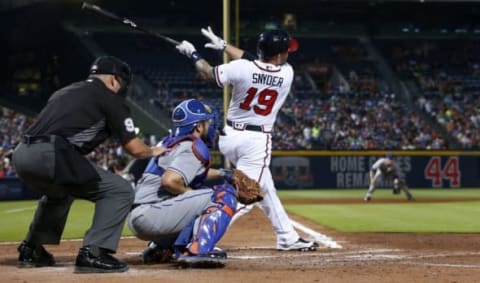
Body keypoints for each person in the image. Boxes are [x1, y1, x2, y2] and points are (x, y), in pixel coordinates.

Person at [12, 56, 168, 273]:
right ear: (114, 80)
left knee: (61, 192)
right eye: (123, 84)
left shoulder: (65, 91)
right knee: (120, 190)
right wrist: (155, 150)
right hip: (51, 154)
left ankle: (31, 249)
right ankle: (93, 253)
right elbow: (136, 149)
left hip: (21, 154)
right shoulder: (110, 98)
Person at [174, 27, 317, 251]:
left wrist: (192, 53)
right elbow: (257, 63)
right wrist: (224, 46)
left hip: (229, 137)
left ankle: (287, 237)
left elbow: (208, 73)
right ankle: (197, 236)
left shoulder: (241, 68)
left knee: (266, 188)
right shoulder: (287, 73)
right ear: (279, 54)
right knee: (247, 195)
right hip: (255, 141)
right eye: (286, 50)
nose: (289, 54)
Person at [127, 99, 238, 268]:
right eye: (207, 122)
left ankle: (161, 248)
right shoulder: (193, 145)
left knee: (196, 194)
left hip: (142, 215)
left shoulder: (171, 142)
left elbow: (190, 173)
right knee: (224, 194)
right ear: (198, 127)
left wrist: (223, 173)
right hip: (152, 215)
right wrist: (193, 193)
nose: (211, 126)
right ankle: (198, 250)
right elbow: (170, 181)